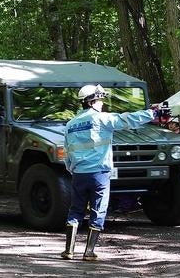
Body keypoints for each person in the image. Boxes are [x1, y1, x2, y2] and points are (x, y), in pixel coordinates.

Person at [61, 84, 157, 261]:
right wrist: (153, 113)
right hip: (99, 173)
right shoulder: (101, 119)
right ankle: (89, 252)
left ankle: (69, 251)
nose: (102, 103)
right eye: (99, 99)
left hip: (79, 174)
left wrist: (72, 169)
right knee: (98, 210)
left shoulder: (70, 125)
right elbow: (128, 120)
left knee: (75, 210)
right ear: (91, 101)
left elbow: (67, 152)